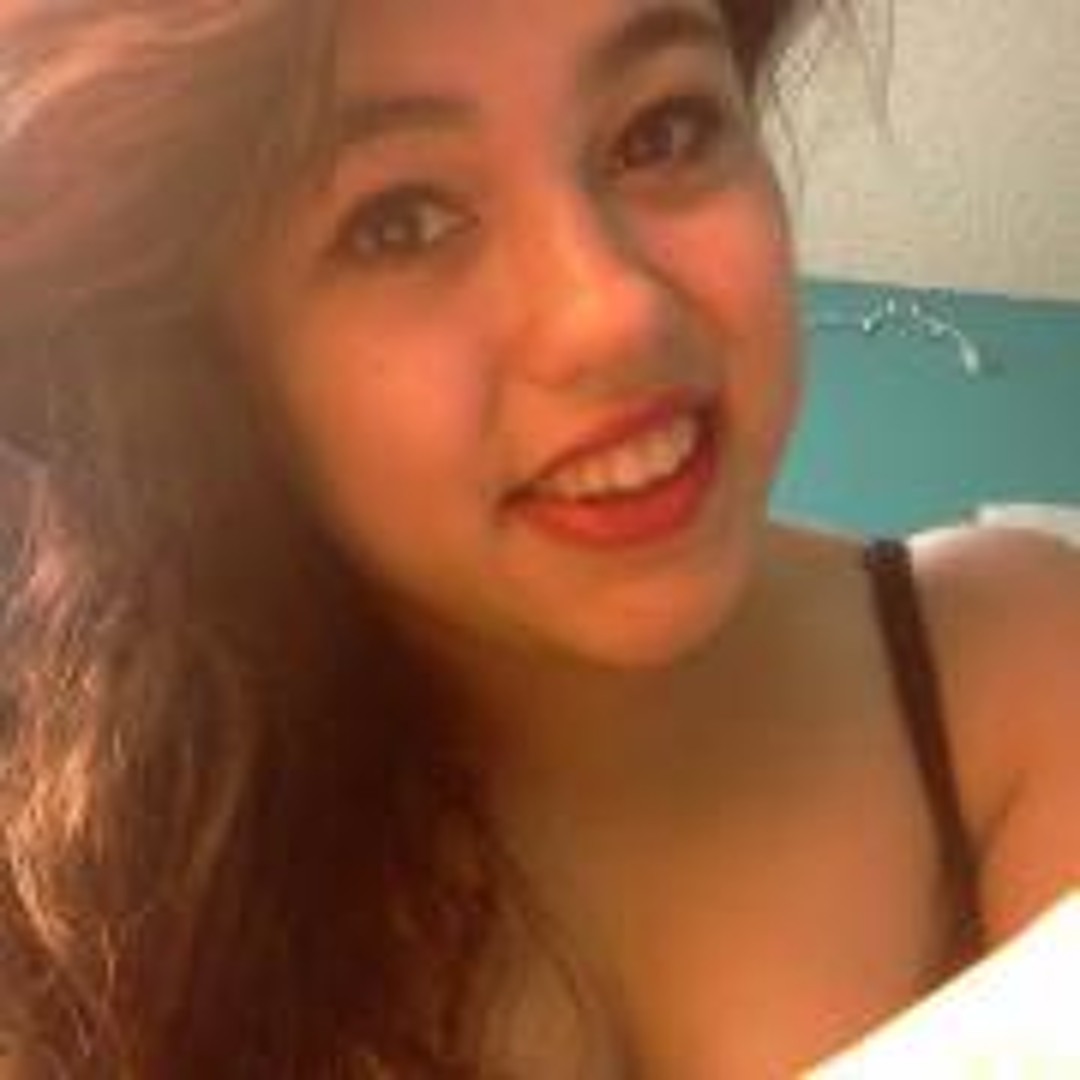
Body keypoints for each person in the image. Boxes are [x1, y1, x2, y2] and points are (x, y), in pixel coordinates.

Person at [0, 1, 1078, 1076]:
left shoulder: (1018, 674)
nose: (614, 313)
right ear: (212, 365)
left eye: (663, 131)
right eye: (400, 221)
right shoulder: (92, 876)